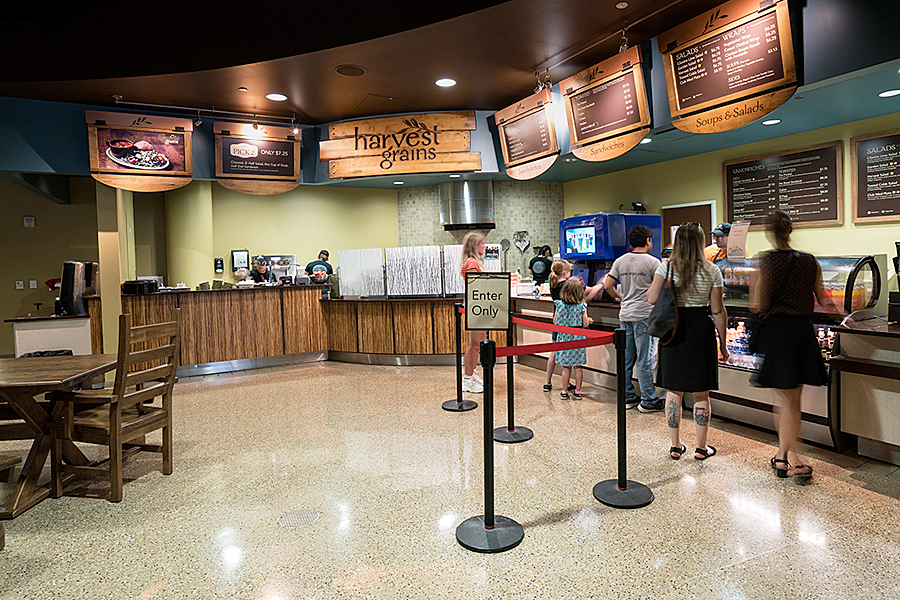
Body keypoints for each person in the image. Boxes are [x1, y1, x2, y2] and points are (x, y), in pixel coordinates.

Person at [750, 210, 843, 481]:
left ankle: (789, 459)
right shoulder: (810, 261)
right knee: (791, 402)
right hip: (802, 331)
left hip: (778, 333)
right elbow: (824, 299)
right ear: (790, 230)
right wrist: (845, 318)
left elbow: (759, 305)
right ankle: (788, 456)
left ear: (769, 232)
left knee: (784, 401)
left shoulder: (764, 262)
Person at [647, 222, 729, 461]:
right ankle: (702, 449)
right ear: (700, 242)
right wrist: (723, 343)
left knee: (674, 389)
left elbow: (651, 298)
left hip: (674, 329)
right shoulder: (712, 270)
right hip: (700, 330)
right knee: (701, 392)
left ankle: (675, 446)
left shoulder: (667, 267)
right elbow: (718, 310)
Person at [604, 225, 662, 412]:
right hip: (645, 315)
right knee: (646, 358)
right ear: (647, 240)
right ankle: (648, 399)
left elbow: (608, 285)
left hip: (626, 314)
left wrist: (619, 297)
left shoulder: (620, 261)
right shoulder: (653, 263)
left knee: (626, 358)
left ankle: (628, 396)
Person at [553, 277, 592, 399]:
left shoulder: (559, 305)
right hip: (577, 337)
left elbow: (555, 321)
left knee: (566, 367)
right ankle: (578, 391)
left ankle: (564, 391)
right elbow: (586, 324)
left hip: (564, 337)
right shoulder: (582, 306)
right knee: (578, 367)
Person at [460, 232, 487, 394]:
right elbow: (475, 287)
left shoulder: (473, 261)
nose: (484, 246)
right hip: (475, 307)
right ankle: (468, 379)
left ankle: (471, 374)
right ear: (475, 246)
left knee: (476, 344)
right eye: (482, 243)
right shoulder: (471, 262)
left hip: (477, 307)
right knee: (475, 345)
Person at [543, 260, 574, 392]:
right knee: (567, 355)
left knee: (554, 352)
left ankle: (547, 382)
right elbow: (585, 293)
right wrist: (601, 284)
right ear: (564, 272)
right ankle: (566, 385)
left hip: (556, 321)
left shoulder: (553, 284)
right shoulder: (567, 286)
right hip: (567, 323)